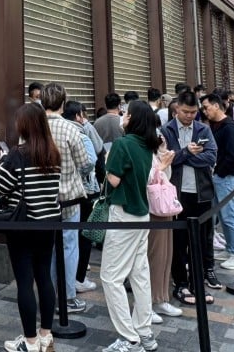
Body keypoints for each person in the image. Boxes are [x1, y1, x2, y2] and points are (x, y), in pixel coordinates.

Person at [0, 103, 61, 352]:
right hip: (49, 223)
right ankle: (45, 335)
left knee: (24, 282)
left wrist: (2, 161)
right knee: (44, 277)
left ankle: (30, 341)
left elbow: (1, 185)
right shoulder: (53, 152)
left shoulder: (17, 154)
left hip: (23, 225)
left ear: (24, 125)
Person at [99, 100, 162, 352]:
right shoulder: (147, 145)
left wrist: (106, 162)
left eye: (127, 113)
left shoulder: (122, 144)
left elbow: (113, 180)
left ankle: (129, 338)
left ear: (133, 119)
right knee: (139, 274)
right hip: (141, 214)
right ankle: (144, 332)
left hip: (123, 213)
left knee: (111, 276)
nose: (123, 115)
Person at [161, 91, 217, 306]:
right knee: (179, 241)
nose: (189, 116)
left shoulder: (203, 129)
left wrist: (184, 157)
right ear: (177, 109)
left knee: (200, 241)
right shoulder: (166, 130)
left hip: (201, 193)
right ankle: (181, 283)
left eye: (193, 112)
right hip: (176, 194)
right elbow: (166, 159)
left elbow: (211, 157)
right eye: (186, 112)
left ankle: (197, 282)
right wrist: (187, 152)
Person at [41, 82, 90, 314]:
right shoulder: (70, 129)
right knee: (69, 246)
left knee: (46, 248)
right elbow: (85, 163)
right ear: (63, 102)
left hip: (41, 199)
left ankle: (48, 295)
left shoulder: (33, 127)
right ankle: (68, 297)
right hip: (69, 197)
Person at [201, 93, 234, 272]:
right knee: (222, 216)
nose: (205, 111)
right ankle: (230, 249)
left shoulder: (229, 127)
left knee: (229, 215)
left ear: (216, 106)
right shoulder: (215, 125)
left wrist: (219, 171)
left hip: (226, 177)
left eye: (206, 107)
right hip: (218, 176)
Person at [63, 101, 100, 294]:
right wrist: (80, 174)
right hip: (83, 191)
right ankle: (78, 278)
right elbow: (92, 158)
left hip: (62, 192)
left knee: (67, 238)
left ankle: (67, 279)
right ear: (79, 115)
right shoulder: (81, 134)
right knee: (83, 236)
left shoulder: (57, 131)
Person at [148, 128, 180, 325]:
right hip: (150, 209)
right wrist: (161, 166)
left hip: (164, 207)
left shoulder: (153, 151)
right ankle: (148, 303)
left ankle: (161, 298)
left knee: (165, 255)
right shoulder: (135, 148)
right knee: (153, 257)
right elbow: (144, 180)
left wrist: (162, 153)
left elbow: (166, 176)